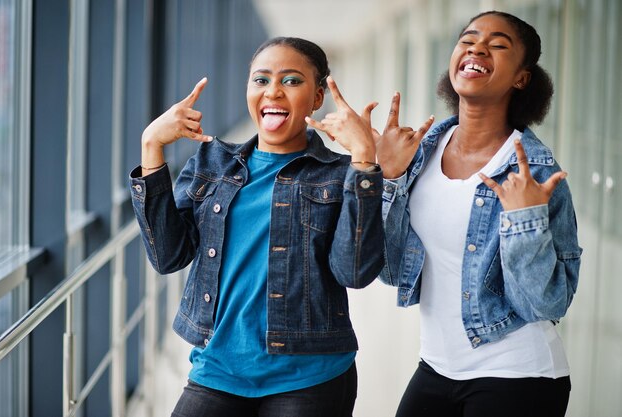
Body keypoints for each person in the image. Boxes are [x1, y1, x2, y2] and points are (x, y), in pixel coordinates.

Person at [129, 37, 390, 417]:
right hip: (216, 370)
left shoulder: (339, 175)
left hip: (310, 377)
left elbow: (354, 272)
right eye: (261, 80)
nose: (273, 92)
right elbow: (168, 256)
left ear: (318, 98)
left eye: (291, 81)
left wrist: (364, 161)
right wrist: (151, 146)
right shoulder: (211, 162)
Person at [376, 11, 582, 417]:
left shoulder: (534, 171)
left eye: (498, 44)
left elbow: (547, 305)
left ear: (521, 77)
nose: (476, 48)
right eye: (467, 39)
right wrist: (387, 178)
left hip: (519, 376)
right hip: (436, 367)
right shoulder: (422, 151)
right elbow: (389, 271)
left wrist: (526, 223)